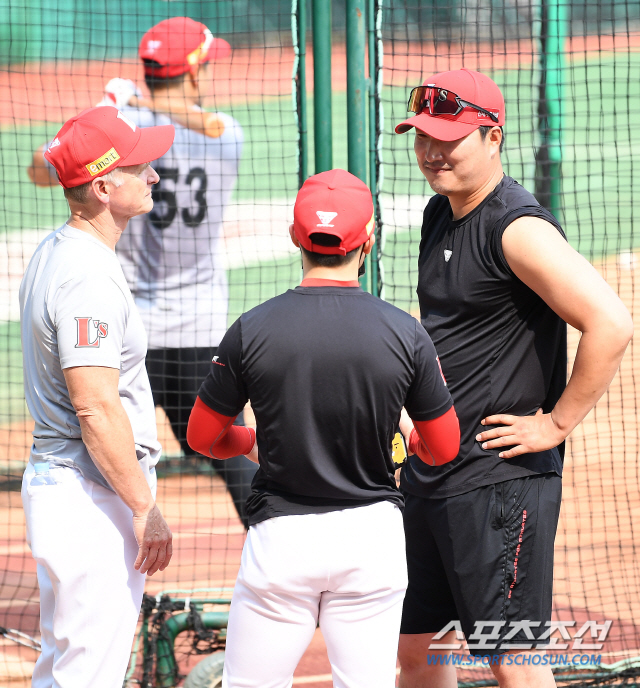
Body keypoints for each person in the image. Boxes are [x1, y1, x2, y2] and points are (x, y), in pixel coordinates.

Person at [393, 68, 634, 687]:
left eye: (448, 138)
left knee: (512, 660)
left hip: (497, 482)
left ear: (492, 137)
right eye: (422, 137)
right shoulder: (439, 214)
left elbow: (611, 323)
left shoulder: (518, 228)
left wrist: (556, 424)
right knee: (420, 651)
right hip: (432, 472)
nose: (430, 151)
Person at [185, 169, 461, 688]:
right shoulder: (406, 332)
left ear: (296, 237)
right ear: (369, 239)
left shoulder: (253, 327)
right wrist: (407, 437)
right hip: (371, 540)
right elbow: (443, 448)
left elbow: (202, 437)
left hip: (281, 542)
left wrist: (252, 443)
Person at [27, 17, 256, 528]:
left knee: (105, 449)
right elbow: (206, 122)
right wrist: (132, 108)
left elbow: (42, 168)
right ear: (192, 74)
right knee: (227, 453)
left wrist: (115, 108)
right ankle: (276, 548)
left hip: (124, 330)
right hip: (194, 328)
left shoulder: (123, 133)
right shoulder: (226, 136)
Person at [20, 106, 175, 688]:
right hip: (91, 494)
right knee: (91, 671)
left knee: (66, 665)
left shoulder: (60, 249)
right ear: (105, 185)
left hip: (71, 485)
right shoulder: (87, 274)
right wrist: (143, 508)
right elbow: (95, 405)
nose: (155, 175)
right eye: (142, 166)